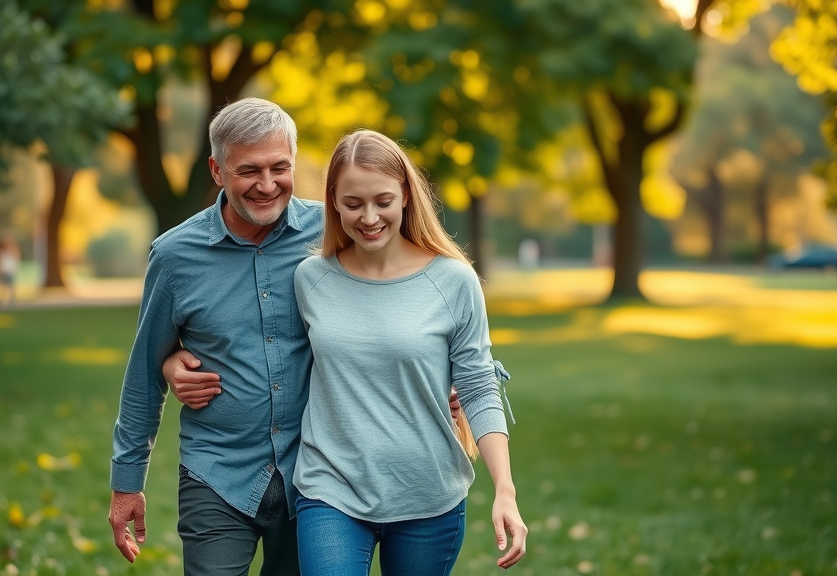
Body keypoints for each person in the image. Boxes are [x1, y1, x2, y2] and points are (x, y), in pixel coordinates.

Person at [291, 129, 526, 575]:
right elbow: (272, 351)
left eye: (383, 200)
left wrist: (505, 490)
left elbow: (477, 385)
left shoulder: (454, 281)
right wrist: (171, 359)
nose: (369, 216)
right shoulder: (310, 279)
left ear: (405, 197)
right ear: (334, 203)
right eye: (353, 203)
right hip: (330, 488)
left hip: (428, 494)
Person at [109, 97, 317, 576]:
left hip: (316, 473)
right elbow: (145, 373)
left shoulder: (331, 235)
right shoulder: (175, 256)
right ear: (217, 170)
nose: (267, 185)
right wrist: (126, 484)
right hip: (217, 473)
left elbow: (395, 309)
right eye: (248, 171)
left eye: (279, 168)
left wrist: (452, 376)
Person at [0, 235, 20, 306]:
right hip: (3, 271)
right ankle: (1, 299)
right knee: (2, 286)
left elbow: (17, 258)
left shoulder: (12, 251)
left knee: (11, 286)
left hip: (10, 271)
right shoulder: (0, 252)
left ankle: (12, 299)